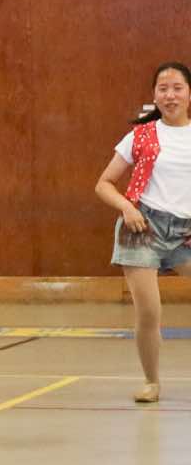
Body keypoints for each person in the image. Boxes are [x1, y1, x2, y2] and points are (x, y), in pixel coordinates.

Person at [95, 61, 191, 403]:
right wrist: (127, 207)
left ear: (189, 94)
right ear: (154, 95)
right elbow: (104, 183)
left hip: (186, 232)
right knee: (149, 312)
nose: (170, 95)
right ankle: (152, 382)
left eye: (177, 88)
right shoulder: (139, 136)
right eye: (163, 89)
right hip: (143, 227)